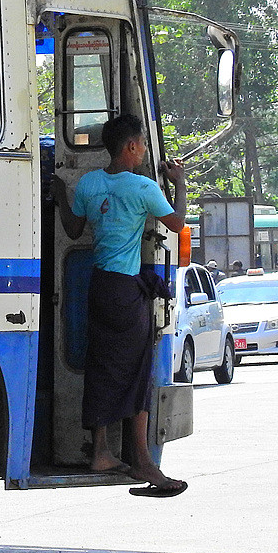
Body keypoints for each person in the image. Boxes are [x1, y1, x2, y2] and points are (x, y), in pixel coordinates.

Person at [51, 113, 189, 498]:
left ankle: (101, 452)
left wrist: (61, 193)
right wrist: (179, 182)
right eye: (143, 143)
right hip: (127, 292)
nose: (144, 149)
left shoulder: (90, 183)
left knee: (101, 367)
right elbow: (176, 223)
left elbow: (74, 230)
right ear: (130, 147)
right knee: (136, 372)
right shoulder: (143, 188)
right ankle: (144, 459)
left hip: (97, 286)